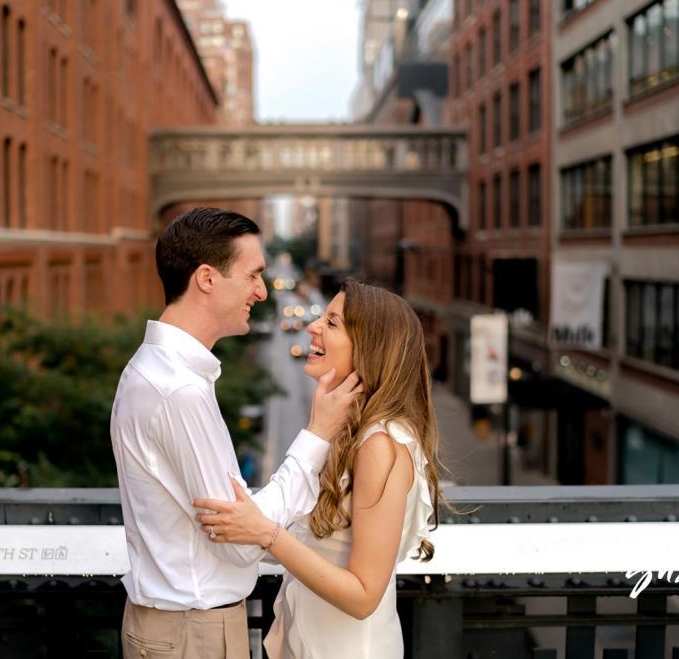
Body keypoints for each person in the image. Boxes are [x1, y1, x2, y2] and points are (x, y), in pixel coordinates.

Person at [110, 208, 362, 659]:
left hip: (181, 627)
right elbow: (238, 543)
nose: (263, 292)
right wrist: (318, 434)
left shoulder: (160, 373)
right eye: (253, 276)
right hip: (192, 634)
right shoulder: (177, 390)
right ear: (207, 279)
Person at [194, 279, 444, 659]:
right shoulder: (351, 431)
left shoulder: (381, 444)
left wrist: (266, 534)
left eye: (332, 323)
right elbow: (318, 545)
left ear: (370, 346)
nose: (313, 327)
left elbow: (363, 596)